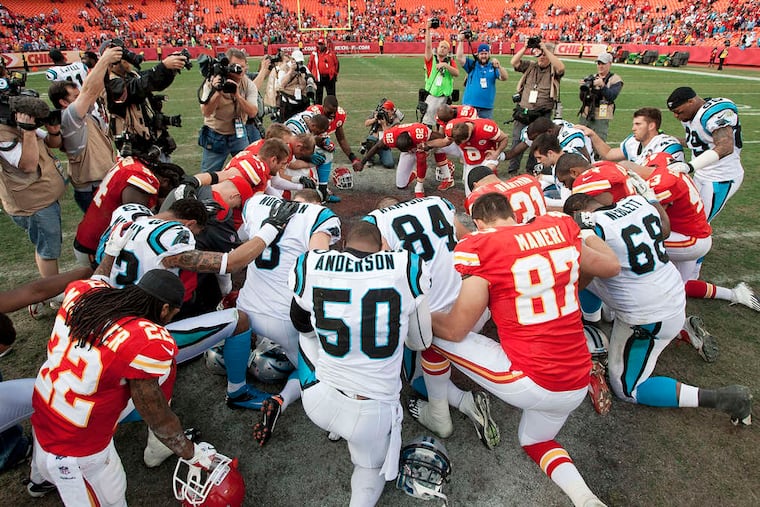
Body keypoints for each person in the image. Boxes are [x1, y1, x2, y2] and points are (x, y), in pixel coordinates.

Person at [414, 192, 620, 507]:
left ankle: (439, 411)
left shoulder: (480, 247)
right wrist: (589, 235)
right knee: (534, 440)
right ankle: (587, 500)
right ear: (512, 213)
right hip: (576, 379)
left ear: (479, 223)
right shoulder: (560, 228)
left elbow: (456, 329)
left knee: (432, 334)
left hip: (532, 379)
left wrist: (419, 314)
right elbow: (610, 266)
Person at [29, 270, 219, 505]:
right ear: (164, 309)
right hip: (77, 450)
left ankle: (38, 480)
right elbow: (157, 417)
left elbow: (98, 276)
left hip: (45, 411)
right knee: (113, 497)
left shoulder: (85, 292)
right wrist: (192, 453)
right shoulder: (144, 341)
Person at [562, 191, 752, 426]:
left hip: (646, 315)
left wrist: (565, 290)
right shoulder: (635, 202)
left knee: (628, 389)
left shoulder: (595, 228)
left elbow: (587, 273)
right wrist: (651, 198)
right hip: (671, 292)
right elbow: (664, 230)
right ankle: (677, 330)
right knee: (593, 281)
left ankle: (722, 398)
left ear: (578, 215)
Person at [290, 221, 433, 506]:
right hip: (372, 415)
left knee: (306, 334)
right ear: (383, 247)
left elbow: (300, 322)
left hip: (319, 401)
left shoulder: (312, 263)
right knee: (369, 467)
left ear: (343, 247)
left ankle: (333, 420)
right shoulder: (405, 266)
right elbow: (419, 342)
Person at [365, 196, 500, 449]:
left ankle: (456, 404)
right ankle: (464, 400)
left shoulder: (376, 221)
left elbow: (373, 274)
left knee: (412, 374)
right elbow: (469, 240)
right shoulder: (439, 202)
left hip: (433, 324)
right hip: (474, 308)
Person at [237, 191, 341, 447]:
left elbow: (242, 237)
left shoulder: (257, 202)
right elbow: (320, 266)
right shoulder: (318, 216)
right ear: (316, 203)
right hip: (282, 316)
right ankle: (284, 400)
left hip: (245, 308)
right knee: (321, 366)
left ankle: (236, 382)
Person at [0, 92, 66, 280]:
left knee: (47, 243)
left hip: (43, 195)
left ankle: (49, 288)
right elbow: (28, 165)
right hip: (32, 203)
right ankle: (51, 292)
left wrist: (53, 130)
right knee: (48, 247)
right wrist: (27, 130)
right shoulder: (3, 131)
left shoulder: (15, 122)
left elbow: (52, 143)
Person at [48, 46, 121, 212]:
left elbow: (93, 90)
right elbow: (88, 91)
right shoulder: (70, 117)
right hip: (91, 188)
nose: (80, 97)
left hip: (99, 182)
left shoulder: (80, 115)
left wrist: (107, 67)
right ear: (63, 103)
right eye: (75, 97)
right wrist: (104, 59)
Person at [666, 87, 744, 223]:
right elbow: (699, 142)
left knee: (698, 222)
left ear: (691, 101)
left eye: (679, 112)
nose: (676, 116)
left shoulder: (714, 114)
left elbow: (726, 146)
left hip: (720, 177)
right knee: (685, 213)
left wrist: (690, 166)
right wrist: (671, 139)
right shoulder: (692, 114)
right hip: (701, 174)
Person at [103, 38, 188, 161]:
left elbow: (156, 83)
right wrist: (163, 66)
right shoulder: (111, 84)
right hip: (136, 151)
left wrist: (171, 69)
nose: (128, 61)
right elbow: (136, 88)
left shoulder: (132, 76)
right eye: (123, 58)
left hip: (153, 145)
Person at [198, 48, 259, 173]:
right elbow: (206, 112)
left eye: (243, 66)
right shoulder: (212, 82)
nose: (240, 70)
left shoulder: (248, 84)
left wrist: (237, 95)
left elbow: (253, 112)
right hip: (216, 134)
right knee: (209, 175)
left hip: (239, 133)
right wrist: (218, 91)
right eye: (235, 66)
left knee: (247, 171)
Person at [508, 40, 564, 175]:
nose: (541, 57)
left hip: (541, 114)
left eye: (544, 55)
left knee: (538, 143)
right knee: (517, 140)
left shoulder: (553, 70)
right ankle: (513, 169)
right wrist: (526, 47)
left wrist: (546, 50)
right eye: (539, 55)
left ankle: (531, 169)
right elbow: (514, 62)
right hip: (524, 111)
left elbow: (561, 67)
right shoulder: (531, 66)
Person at [360, 122, 452, 197]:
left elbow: (440, 138)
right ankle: (414, 174)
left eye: (408, 148)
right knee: (401, 185)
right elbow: (376, 147)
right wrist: (362, 162)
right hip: (410, 149)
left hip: (423, 143)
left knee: (425, 155)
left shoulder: (419, 132)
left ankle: (423, 185)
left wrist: (430, 145)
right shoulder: (390, 136)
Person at [577, 107, 683, 165]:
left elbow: (665, 177)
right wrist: (592, 134)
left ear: (651, 126)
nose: (633, 128)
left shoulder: (667, 146)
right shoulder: (633, 141)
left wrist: (627, 168)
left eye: (638, 124)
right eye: (633, 124)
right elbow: (608, 154)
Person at [307, 96, 364, 201]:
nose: (333, 115)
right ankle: (311, 190)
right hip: (305, 143)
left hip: (316, 141)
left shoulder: (339, 116)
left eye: (334, 112)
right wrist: (314, 147)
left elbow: (341, 139)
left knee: (328, 153)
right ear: (323, 107)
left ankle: (323, 191)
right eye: (329, 112)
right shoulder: (312, 114)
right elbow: (304, 138)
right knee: (311, 168)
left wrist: (353, 158)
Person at [577, 52, 623, 142]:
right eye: (599, 64)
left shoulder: (615, 79)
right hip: (586, 112)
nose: (600, 66)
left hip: (602, 113)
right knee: (581, 139)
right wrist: (583, 89)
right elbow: (582, 99)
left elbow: (611, 96)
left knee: (598, 141)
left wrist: (602, 86)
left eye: (603, 64)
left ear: (610, 64)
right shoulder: (591, 78)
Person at [456, 39, 508, 119]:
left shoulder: (493, 67)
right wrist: (461, 40)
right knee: (467, 129)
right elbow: (459, 57)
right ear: (478, 54)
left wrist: (499, 67)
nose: (483, 56)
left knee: (484, 131)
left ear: (489, 54)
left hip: (486, 108)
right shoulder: (472, 65)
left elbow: (504, 77)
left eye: (485, 53)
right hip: (469, 105)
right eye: (481, 54)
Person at [421, 19, 459, 127]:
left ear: (448, 51)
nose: (442, 49)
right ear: (437, 48)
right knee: (427, 124)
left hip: (445, 98)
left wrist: (446, 66)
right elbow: (428, 46)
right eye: (441, 47)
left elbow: (456, 73)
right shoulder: (431, 60)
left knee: (442, 126)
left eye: (445, 48)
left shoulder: (450, 62)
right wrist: (428, 29)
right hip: (432, 96)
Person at [275, 50, 316, 121]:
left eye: (301, 62)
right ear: (292, 60)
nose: (299, 64)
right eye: (298, 62)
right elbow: (281, 84)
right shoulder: (284, 68)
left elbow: (310, 79)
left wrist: (311, 84)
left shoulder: (304, 68)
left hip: (302, 101)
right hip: (288, 103)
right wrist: (291, 71)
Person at [362, 100, 404, 168]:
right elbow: (366, 123)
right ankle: (370, 159)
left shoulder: (396, 121)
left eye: (387, 110)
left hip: (385, 143)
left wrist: (384, 124)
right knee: (371, 139)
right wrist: (374, 119)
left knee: (389, 164)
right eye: (384, 109)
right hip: (374, 141)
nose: (385, 111)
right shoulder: (377, 113)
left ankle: (381, 155)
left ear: (392, 111)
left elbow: (390, 135)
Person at [307, 38, 339, 105]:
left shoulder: (331, 53)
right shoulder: (314, 54)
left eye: (321, 44)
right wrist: (309, 76)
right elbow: (310, 65)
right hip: (318, 77)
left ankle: (332, 109)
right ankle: (318, 111)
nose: (320, 46)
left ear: (325, 45)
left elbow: (336, 64)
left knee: (331, 96)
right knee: (318, 96)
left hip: (329, 77)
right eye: (319, 44)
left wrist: (334, 74)